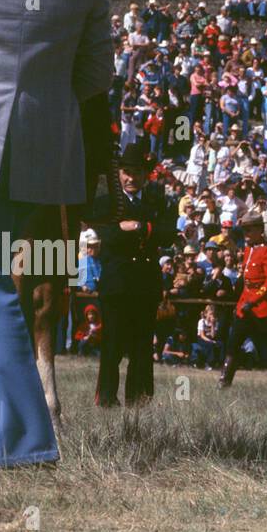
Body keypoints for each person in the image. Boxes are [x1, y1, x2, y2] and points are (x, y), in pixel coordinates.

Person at [0, 0, 113, 465]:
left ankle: (24, 438)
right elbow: (96, 78)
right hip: (45, 151)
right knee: (17, 289)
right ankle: (28, 434)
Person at [93, 143, 178, 407]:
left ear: (146, 175)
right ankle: (106, 398)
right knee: (113, 343)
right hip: (117, 284)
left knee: (142, 346)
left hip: (145, 284)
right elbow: (106, 234)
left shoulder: (156, 201)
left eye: (138, 172)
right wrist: (123, 229)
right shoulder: (107, 203)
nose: (132, 178)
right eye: (127, 172)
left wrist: (139, 227)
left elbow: (168, 234)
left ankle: (139, 399)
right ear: (119, 174)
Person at [218, 209, 267, 387]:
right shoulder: (248, 250)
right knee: (233, 342)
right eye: (244, 230)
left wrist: (255, 300)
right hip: (244, 305)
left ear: (260, 230)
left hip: (262, 306)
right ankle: (224, 379)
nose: (246, 234)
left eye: (250, 230)